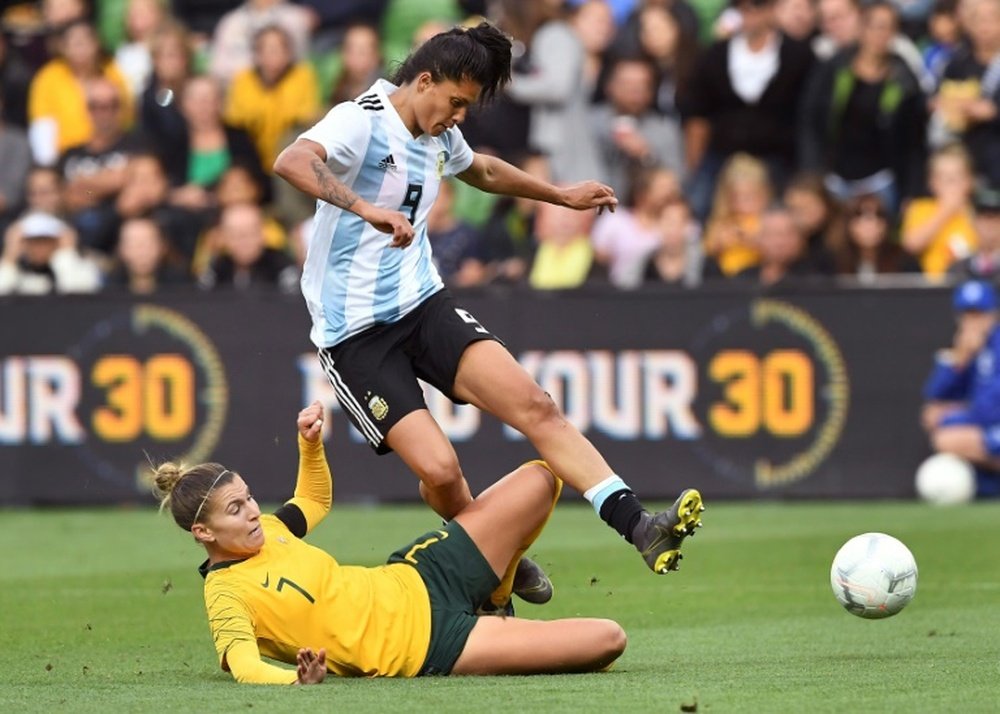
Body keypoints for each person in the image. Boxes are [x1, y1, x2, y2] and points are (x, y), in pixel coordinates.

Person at [273, 23, 704, 591]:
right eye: (455, 102)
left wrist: (561, 194)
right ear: (423, 80)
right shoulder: (362, 119)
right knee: (441, 471)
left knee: (536, 405)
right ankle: (491, 547)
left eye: (466, 108)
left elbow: (482, 169)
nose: (458, 116)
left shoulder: (437, 134)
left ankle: (640, 526)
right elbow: (292, 160)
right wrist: (366, 209)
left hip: (423, 304)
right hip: (355, 335)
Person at [154, 402, 690, 682]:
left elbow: (312, 501)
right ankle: (497, 598)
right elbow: (244, 665)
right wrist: (293, 685)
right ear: (203, 533)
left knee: (542, 477)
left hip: (418, 574)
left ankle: (498, 590)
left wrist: (309, 445)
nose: (252, 512)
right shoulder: (226, 594)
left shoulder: (267, 530)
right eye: (235, 509)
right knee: (608, 640)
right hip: (429, 646)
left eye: (248, 498)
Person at [922, 280, 1000, 496]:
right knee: (940, 425)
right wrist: (960, 359)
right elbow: (935, 395)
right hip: (985, 427)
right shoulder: (965, 348)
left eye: (978, 314)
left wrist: (956, 416)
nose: (972, 322)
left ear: (992, 314)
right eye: (967, 315)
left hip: (992, 426)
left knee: (948, 437)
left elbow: (991, 406)